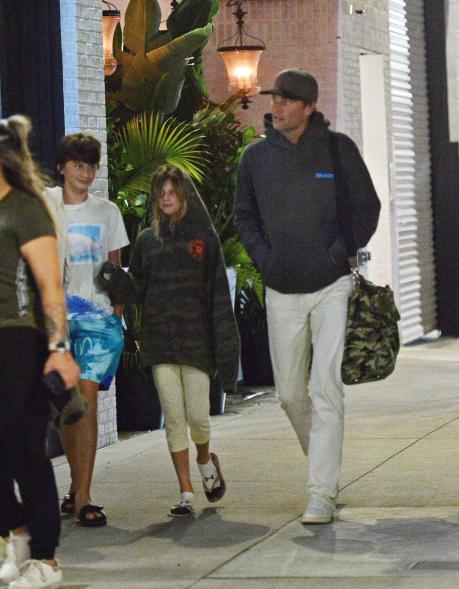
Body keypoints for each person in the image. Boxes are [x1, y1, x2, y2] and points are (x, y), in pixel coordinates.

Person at [235, 69, 381, 524]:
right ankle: (321, 460)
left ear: (309, 107)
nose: (276, 106)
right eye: (274, 98)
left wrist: (340, 253)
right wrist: (266, 260)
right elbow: (245, 216)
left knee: (326, 388)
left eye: (286, 99)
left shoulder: (338, 151)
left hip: (332, 286)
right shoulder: (255, 159)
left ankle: (321, 491)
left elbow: (367, 208)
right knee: (291, 395)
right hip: (281, 289)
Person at [98, 165, 240, 517]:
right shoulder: (147, 241)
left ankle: (206, 463)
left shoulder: (204, 240)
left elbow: (219, 295)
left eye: (172, 192)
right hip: (160, 342)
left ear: (184, 196)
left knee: (198, 416)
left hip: (196, 343)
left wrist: (227, 354)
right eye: (161, 193)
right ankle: (186, 490)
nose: (166, 198)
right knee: (174, 418)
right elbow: (139, 291)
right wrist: (112, 277)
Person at [0, 115, 80, 588]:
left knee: (25, 451)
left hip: (19, 341)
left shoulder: (25, 208)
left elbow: (51, 287)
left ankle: (47, 561)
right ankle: (20, 534)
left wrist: (57, 347)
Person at [45, 133, 129, 527]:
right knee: (65, 407)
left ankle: (84, 496)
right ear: (61, 167)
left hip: (97, 321)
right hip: (55, 323)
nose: (85, 173)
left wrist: (116, 315)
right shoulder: (44, 205)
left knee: (88, 402)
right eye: (78, 165)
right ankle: (75, 487)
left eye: (91, 166)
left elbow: (114, 268)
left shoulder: (107, 211)